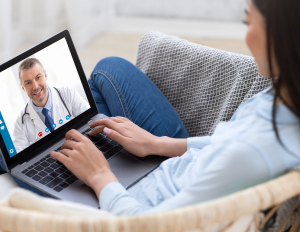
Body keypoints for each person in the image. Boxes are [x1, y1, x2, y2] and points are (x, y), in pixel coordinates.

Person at [2, 0, 300, 214]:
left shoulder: (253, 153)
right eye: (28, 83)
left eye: (248, 21)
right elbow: (226, 143)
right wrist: (159, 143)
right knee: (106, 75)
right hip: (169, 165)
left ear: (281, 34)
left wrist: (100, 175)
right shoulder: (281, 100)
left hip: (125, 203)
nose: (246, 35)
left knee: (12, 156)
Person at [13, 58, 90, 153]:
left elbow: (89, 121)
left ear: (45, 75)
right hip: (46, 164)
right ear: (23, 87)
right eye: (28, 83)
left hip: (77, 149)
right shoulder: (20, 122)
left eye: (38, 77)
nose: (35, 86)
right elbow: (20, 158)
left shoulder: (67, 93)